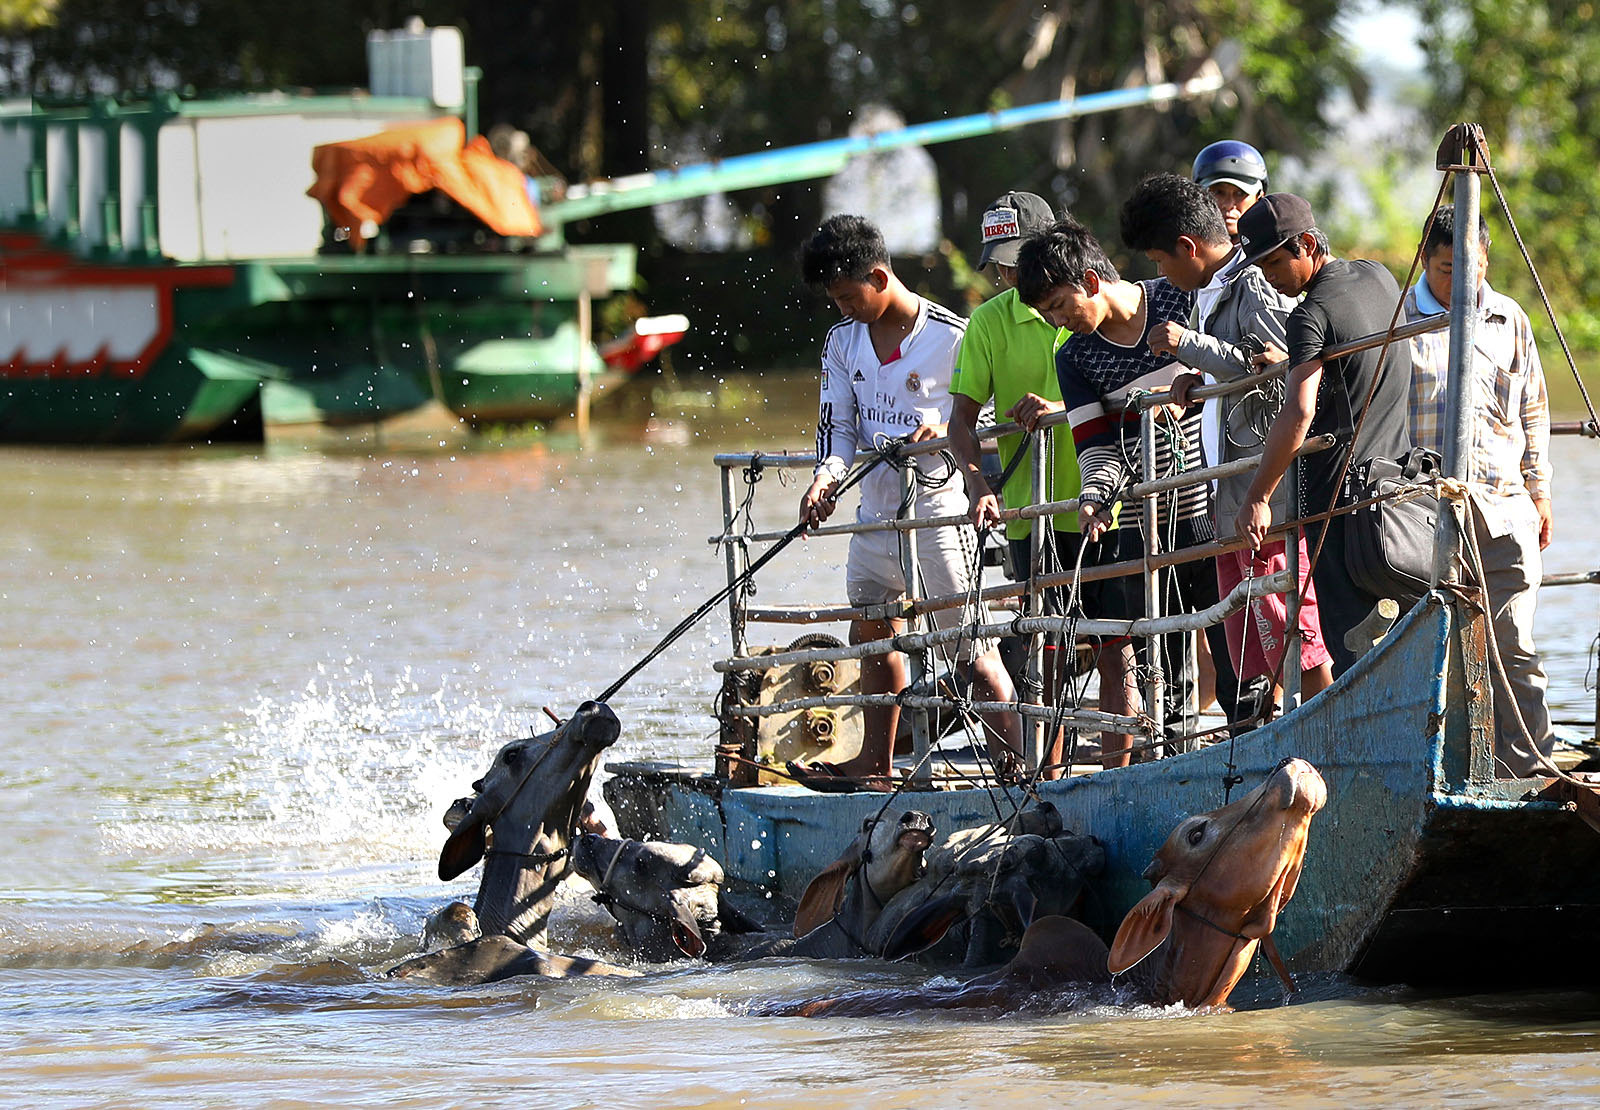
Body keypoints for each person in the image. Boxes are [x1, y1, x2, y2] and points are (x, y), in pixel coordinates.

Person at [797, 214, 1023, 788]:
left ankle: (1013, 769)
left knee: (969, 643)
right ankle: (875, 764)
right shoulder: (841, 341)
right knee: (871, 628)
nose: (843, 308)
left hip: (940, 511)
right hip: (874, 510)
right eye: (835, 300)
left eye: (849, 296)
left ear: (878, 276)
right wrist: (825, 479)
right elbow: (838, 429)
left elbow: (990, 424)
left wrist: (943, 430)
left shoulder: (953, 336)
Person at [1120, 173, 1334, 721]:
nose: (1161, 275)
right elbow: (1235, 363)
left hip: (1265, 492)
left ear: (1188, 248)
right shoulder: (1211, 291)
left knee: (1291, 623)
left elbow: (1281, 369)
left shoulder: (1254, 283)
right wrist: (1195, 377)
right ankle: (1280, 738)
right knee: (1252, 632)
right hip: (1232, 489)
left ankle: (1327, 731)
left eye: (1161, 262)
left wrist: (1192, 346)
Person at [1014, 218, 1227, 763]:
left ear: (1089, 281)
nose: (1059, 322)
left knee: (1233, 640)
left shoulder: (1182, 298)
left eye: (1060, 306)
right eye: (1047, 316)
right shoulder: (1074, 358)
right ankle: (1174, 761)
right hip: (1141, 522)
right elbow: (1096, 445)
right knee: (1162, 652)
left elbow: (1232, 369)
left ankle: (1251, 741)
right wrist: (1094, 496)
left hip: (1213, 506)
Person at [948, 192, 1137, 776]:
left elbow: (1127, 388)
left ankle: (1120, 772)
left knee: (1118, 647)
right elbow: (961, 420)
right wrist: (979, 486)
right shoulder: (989, 321)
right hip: (1035, 513)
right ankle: (1046, 777)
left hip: (1110, 503)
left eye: (1016, 258)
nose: (1007, 273)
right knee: (1044, 650)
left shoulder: (1100, 300)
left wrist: (1058, 407)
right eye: (999, 263)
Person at [1232, 193, 1414, 675]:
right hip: (1396, 490)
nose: (1268, 277)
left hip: (1339, 506)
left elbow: (1298, 411)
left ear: (1307, 244)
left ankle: (1365, 748)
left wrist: (1257, 495)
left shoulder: (1308, 315)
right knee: (1401, 641)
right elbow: (1355, 363)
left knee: (1353, 649)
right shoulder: (1379, 276)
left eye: (1273, 263)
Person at [1403, 204, 1554, 776]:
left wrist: (1541, 490)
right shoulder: (1401, 324)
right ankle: (1448, 771)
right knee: (1437, 648)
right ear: (1426, 261)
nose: (1463, 282)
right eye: (1447, 269)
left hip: (1504, 504)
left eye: (1475, 268)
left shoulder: (1508, 316)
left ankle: (1532, 769)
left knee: (1514, 643)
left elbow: (1534, 408)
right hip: (1427, 512)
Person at [1193, 140, 1269, 244]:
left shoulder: (1274, 255)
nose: (1228, 205)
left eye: (1240, 193)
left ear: (1259, 198)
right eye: (1218, 192)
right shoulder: (1180, 252)